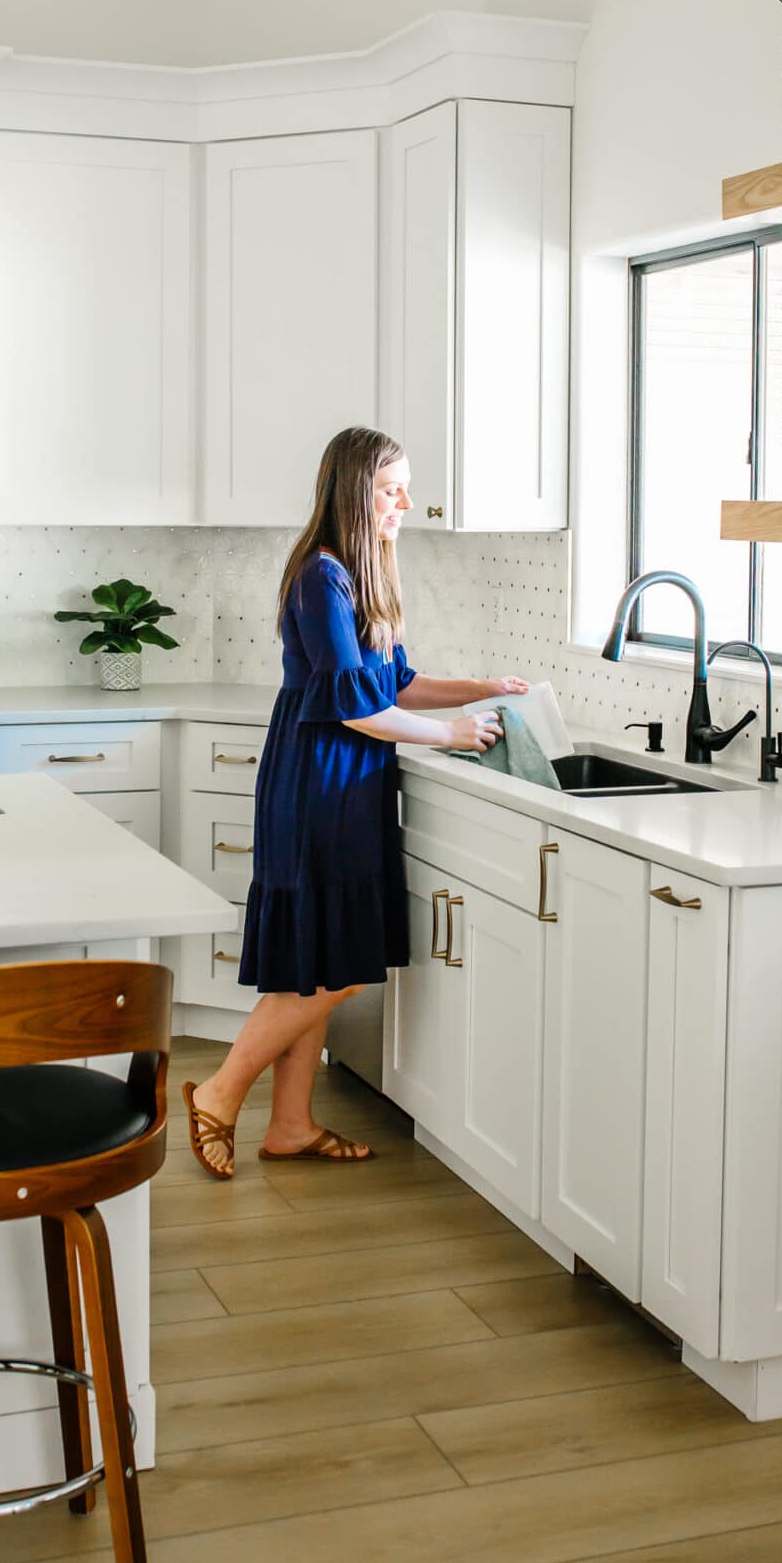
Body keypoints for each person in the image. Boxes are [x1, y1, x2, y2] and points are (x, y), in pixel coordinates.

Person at [183, 425, 529, 1177]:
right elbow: (350, 706)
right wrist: (450, 734)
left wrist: (482, 689)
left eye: (403, 485)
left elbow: (393, 684)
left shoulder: (362, 578)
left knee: (318, 960)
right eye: (388, 487)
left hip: (348, 781)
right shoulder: (321, 576)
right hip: (320, 782)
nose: (404, 500)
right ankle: (218, 1091)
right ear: (352, 491)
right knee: (335, 967)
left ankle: (291, 1127)